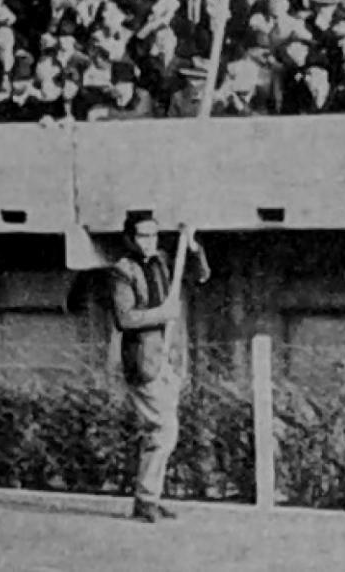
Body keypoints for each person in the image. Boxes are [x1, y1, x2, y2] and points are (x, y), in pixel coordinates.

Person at [110, 214, 209, 524]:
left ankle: (150, 497)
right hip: (144, 360)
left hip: (170, 357)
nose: (149, 242)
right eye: (142, 236)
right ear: (130, 238)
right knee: (164, 428)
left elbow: (201, 274)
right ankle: (146, 499)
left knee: (162, 431)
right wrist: (161, 313)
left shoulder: (165, 261)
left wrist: (192, 246)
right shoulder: (121, 271)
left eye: (154, 236)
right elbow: (125, 319)